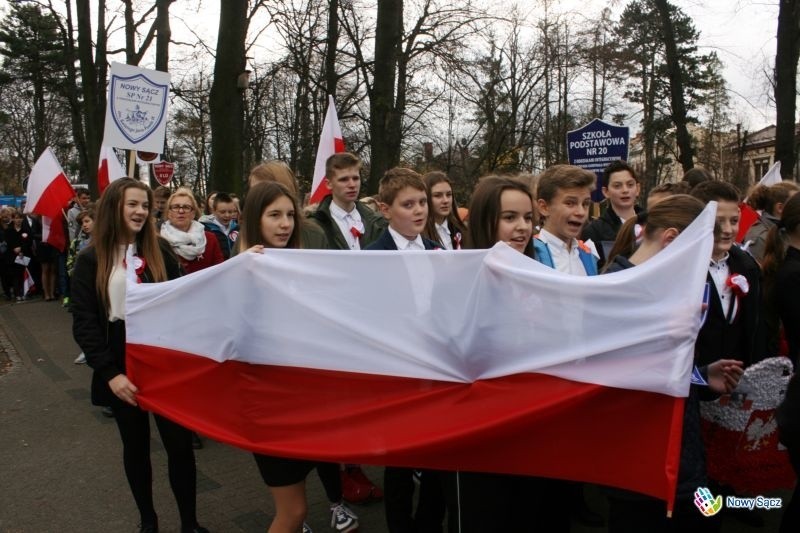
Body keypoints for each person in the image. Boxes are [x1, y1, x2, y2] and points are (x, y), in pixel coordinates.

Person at [71, 178, 208, 533]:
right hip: (120, 363)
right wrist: (110, 373)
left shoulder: (160, 251)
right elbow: (84, 324)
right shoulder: (89, 259)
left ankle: (190, 523)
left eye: (145, 205)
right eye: (132, 204)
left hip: (161, 362)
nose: (140, 211)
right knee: (136, 449)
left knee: (179, 447)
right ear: (115, 206)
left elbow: (182, 304)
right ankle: (148, 521)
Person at [604, 194, 744, 533]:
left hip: (683, 456)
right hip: (641, 467)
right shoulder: (613, 292)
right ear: (671, 240)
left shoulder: (665, 286)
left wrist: (700, 376)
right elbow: (613, 384)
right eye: (699, 253)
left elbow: (670, 371)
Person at [240, 182, 359, 533]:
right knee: (292, 512)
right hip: (270, 412)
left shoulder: (299, 266)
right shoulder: (242, 272)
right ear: (254, 220)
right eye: (274, 215)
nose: (285, 224)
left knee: (299, 507)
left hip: (304, 405)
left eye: (290, 215)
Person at [365, 168, 446, 533]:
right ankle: (400, 526)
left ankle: (428, 523)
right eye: (408, 204)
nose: (419, 211)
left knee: (435, 457)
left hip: (436, 366)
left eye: (422, 203)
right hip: (397, 371)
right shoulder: (371, 257)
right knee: (398, 459)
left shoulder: (437, 251)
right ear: (385, 209)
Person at [309, 152, 387, 250]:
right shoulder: (315, 225)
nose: (352, 185)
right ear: (329, 184)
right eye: (344, 179)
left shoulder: (377, 223)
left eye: (355, 178)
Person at [248, 160, 329, 249]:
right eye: (254, 191)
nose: (256, 198)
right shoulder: (246, 236)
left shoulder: (314, 236)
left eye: (263, 190)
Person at [534, 165, 598, 274]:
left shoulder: (589, 255)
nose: (581, 212)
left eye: (585, 204)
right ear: (544, 207)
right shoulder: (529, 254)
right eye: (570, 203)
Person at [581, 160, 642, 267]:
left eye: (630, 185)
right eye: (617, 186)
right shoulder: (594, 231)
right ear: (606, 192)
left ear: (637, 189)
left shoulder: (653, 224)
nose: (625, 190)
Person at [160, 188, 224, 275]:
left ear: (193, 213)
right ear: (168, 213)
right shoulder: (159, 241)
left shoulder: (210, 239)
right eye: (175, 207)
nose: (181, 211)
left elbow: (220, 272)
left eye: (186, 207)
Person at [743, 181, 800, 262]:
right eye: (794, 203)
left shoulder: (788, 230)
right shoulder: (759, 238)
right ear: (780, 208)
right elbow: (760, 272)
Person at [422, 171, 466, 250]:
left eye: (449, 194)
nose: (445, 200)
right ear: (425, 198)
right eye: (437, 195)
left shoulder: (462, 231)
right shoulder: (418, 235)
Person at [199, 192, 239, 259]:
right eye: (222, 212)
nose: (227, 215)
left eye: (230, 212)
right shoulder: (205, 229)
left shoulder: (237, 228)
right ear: (214, 211)